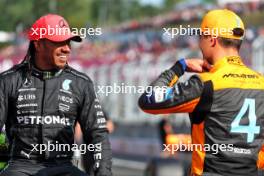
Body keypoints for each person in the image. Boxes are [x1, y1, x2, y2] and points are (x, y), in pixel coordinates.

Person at [138, 9, 264, 175]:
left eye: (201, 37)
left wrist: (179, 68)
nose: (199, 43)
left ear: (211, 40)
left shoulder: (206, 83)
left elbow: (149, 100)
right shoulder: (261, 83)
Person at [0, 14, 112, 176]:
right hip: (21, 167)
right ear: (38, 44)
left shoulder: (81, 83)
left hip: (64, 167)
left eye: (68, 42)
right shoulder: (8, 80)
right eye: (59, 42)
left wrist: (104, 173)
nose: (67, 48)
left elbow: (98, 134)